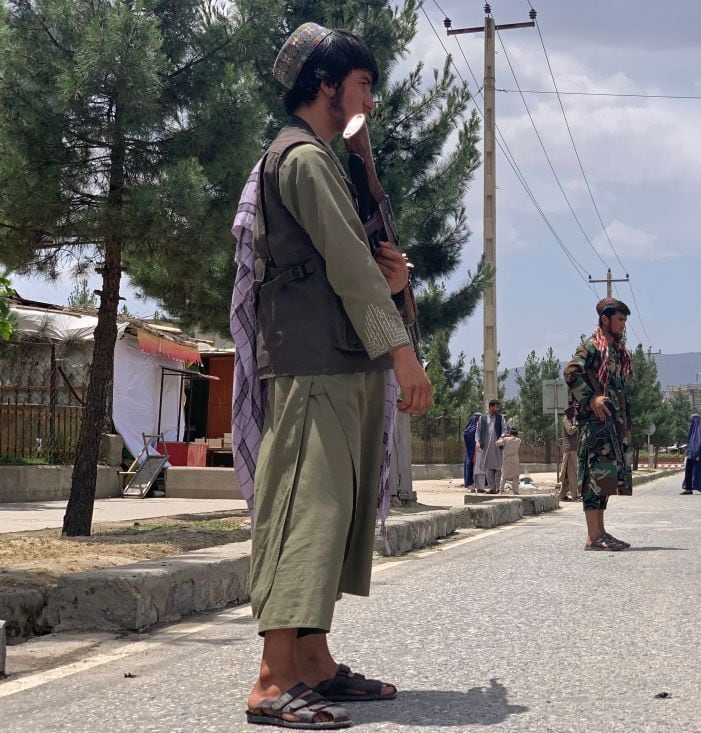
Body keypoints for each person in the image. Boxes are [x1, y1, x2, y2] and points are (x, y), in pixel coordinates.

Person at [238, 24, 433, 730]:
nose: (370, 102)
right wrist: (404, 353)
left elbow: (363, 262)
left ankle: (314, 664)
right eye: (362, 85)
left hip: (341, 358)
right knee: (305, 511)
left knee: (337, 515)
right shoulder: (301, 159)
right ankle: (271, 678)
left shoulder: (328, 159)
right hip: (315, 361)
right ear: (327, 85)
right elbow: (350, 271)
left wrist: (399, 281)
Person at [564, 298, 634, 551]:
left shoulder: (615, 350)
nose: (623, 325)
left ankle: (600, 532)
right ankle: (593, 536)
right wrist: (591, 398)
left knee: (605, 480)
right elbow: (571, 371)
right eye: (619, 319)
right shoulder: (593, 347)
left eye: (625, 320)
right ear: (605, 319)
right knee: (594, 479)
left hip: (611, 426)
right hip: (595, 426)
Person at [475, 399, 505, 493]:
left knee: (498, 467)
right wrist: (477, 442)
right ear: (491, 407)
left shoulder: (500, 418)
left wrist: (502, 437)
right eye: (496, 406)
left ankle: (497, 488)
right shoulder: (482, 418)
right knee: (488, 467)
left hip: (497, 446)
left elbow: (504, 429)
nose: (497, 408)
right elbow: (478, 431)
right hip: (486, 445)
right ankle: (492, 488)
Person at [558, 405, 581, 501]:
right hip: (569, 450)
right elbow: (570, 431)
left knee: (568, 474)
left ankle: (563, 495)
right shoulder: (566, 419)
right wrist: (576, 425)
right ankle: (574, 495)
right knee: (571, 474)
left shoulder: (572, 418)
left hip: (574, 449)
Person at [496, 427, 523, 494]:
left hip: (506, 460)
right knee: (516, 476)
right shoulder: (519, 440)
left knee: (504, 475)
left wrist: (502, 437)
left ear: (510, 433)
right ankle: (515, 491)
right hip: (515, 460)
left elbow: (497, 443)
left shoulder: (505, 439)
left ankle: (501, 491)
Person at [463, 412, 482, 490]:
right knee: (470, 466)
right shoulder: (470, 430)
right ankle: (470, 483)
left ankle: (478, 484)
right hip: (471, 451)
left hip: (477, 450)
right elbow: (467, 435)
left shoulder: (478, 428)